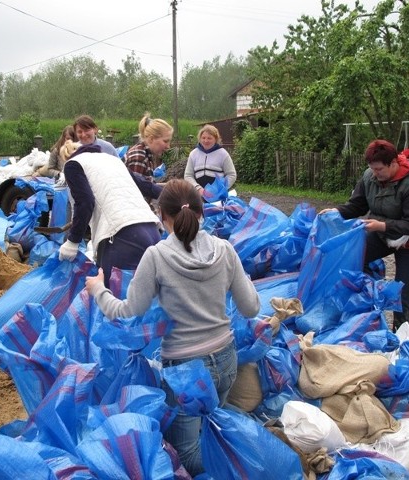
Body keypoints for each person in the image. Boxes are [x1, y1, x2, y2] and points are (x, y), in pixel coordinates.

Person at [84, 178, 260, 476]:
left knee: (186, 452)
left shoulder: (156, 256)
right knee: (213, 418)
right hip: (226, 357)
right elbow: (252, 308)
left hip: (185, 372)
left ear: (161, 216)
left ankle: (227, 469)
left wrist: (98, 289)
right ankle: (235, 460)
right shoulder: (225, 250)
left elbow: (127, 313)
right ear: (202, 212)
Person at [320, 139, 409, 335]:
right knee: (351, 259)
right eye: (372, 169)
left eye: (379, 169)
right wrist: (336, 211)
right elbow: (358, 205)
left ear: (393, 163)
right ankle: (365, 308)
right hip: (381, 231)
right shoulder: (369, 177)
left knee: (404, 290)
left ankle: (402, 339)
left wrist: (381, 225)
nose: (375, 173)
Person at [58, 140, 163, 287]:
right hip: (152, 231)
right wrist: (178, 196)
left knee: (113, 301)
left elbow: (85, 202)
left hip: (122, 237)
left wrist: (72, 241)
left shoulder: (73, 165)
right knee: (151, 300)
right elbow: (145, 186)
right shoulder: (113, 160)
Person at [184, 124, 236, 197]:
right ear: (200, 138)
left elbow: (231, 174)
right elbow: (188, 175)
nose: (206, 140)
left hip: (218, 195)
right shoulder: (193, 154)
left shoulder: (223, 154)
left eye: (209, 138)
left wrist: (220, 189)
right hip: (197, 195)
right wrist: (198, 189)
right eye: (203, 138)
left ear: (216, 139)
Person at [124, 113, 173, 180]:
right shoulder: (139, 158)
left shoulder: (146, 155)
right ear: (151, 139)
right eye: (165, 141)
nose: (168, 146)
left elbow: (148, 184)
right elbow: (139, 188)